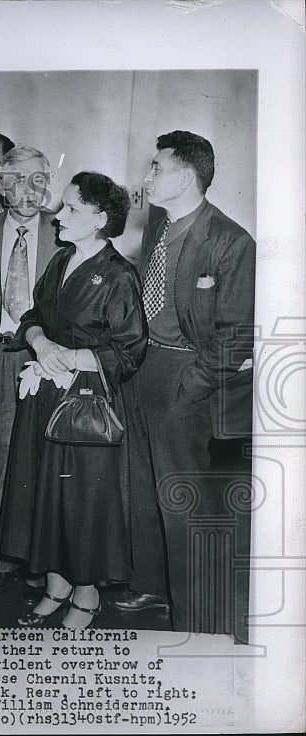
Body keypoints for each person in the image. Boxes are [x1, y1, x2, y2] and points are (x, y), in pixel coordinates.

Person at [115, 131, 255, 635]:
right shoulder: (158, 227)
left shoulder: (231, 241)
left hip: (183, 379)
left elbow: (234, 335)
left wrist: (190, 388)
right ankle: (151, 582)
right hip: (141, 367)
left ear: (187, 175)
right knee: (140, 488)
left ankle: (198, 619)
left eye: (156, 168)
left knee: (181, 501)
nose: (146, 178)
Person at [0, 171, 146, 629]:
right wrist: (41, 345)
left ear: (100, 219)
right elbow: (33, 314)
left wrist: (72, 356)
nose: (59, 215)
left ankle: (86, 595)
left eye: (72, 209)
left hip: (86, 405)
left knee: (82, 501)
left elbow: (130, 350)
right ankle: (56, 585)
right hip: (44, 395)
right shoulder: (61, 260)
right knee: (46, 494)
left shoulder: (119, 276)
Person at [0, 146, 60, 603]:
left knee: (49, 466)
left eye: (37, 179)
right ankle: (6, 558)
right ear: (0, 185)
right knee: (4, 462)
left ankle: (43, 566)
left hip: (49, 364)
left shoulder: (66, 234)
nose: (26, 190)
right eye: (15, 180)